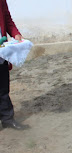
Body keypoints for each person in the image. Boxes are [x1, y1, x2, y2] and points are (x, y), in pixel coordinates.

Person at [0, 0, 27, 130]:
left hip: (2, 50)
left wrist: (15, 33)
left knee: (3, 88)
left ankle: (7, 119)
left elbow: (7, 18)